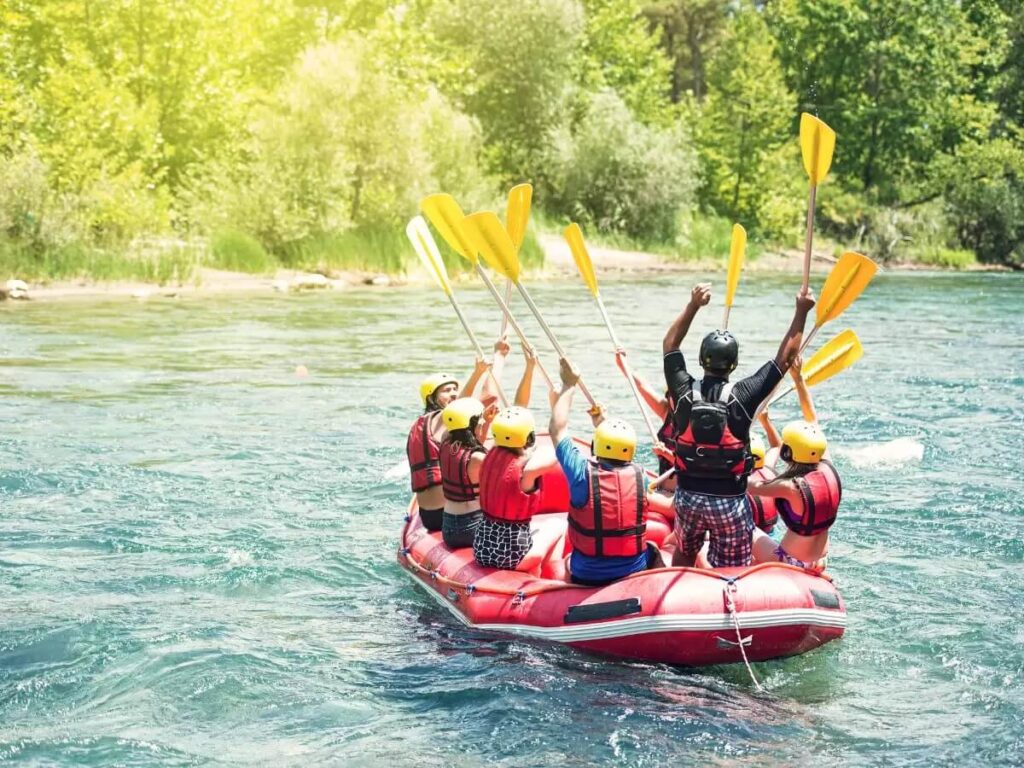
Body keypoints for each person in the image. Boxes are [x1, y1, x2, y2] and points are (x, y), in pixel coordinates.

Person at [663, 282, 815, 567]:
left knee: (684, 551)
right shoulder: (743, 395)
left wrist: (693, 305)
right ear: (733, 365)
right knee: (732, 566)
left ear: (700, 360)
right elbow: (785, 360)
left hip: (688, 498)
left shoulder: (682, 390)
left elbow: (670, 345)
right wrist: (801, 312)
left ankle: (683, 577)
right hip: (729, 501)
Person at [550, 360, 662, 586]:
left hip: (587, 573)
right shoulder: (641, 477)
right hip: (634, 569)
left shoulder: (581, 472)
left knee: (565, 559)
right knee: (654, 550)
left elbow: (557, 429)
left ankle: (567, 593)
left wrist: (568, 384)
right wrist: (602, 423)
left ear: (597, 446)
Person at [438, 348, 540, 548]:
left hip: (448, 526)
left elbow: (459, 414)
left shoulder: (446, 439)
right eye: (480, 419)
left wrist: (483, 421)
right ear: (474, 424)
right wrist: (530, 368)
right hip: (471, 527)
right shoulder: (479, 459)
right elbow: (519, 414)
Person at [748, 358, 841, 571]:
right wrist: (799, 379)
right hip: (820, 561)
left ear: (788, 452)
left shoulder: (790, 487)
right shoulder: (827, 466)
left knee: (748, 528)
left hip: (791, 561)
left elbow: (749, 486)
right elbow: (812, 420)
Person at [407, 357, 490, 532]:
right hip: (445, 514)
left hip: (427, 515)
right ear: (431, 398)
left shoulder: (419, 426)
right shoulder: (440, 419)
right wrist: (478, 373)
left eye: (455, 389)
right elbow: (462, 406)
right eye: (446, 390)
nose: (453, 393)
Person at [473, 406, 557, 570]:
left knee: (537, 531)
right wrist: (531, 451)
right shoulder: (527, 470)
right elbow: (554, 453)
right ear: (529, 437)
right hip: (512, 557)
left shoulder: (488, 458)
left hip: (482, 549)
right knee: (556, 525)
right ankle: (552, 573)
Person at [614, 349, 678, 491]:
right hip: (662, 488)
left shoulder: (696, 422)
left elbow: (693, 465)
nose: (673, 399)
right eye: (670, 395)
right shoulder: (666, 410)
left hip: (681, 494)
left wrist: (665, 453)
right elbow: (641, 386)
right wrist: (623, 365)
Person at [747, 432, 781, 534]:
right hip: (772, 533)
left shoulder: (734, 481)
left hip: (750, 536)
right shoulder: (768, 470)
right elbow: (776, 446)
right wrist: (765, 421)